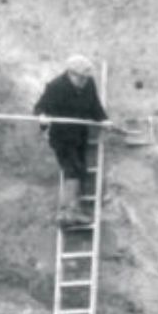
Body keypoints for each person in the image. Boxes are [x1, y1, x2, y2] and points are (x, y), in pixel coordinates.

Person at [34, 55, 109, 220]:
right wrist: (43, 118)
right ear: (71, 74)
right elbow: (40, 108)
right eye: (80, 78)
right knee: (72, 169)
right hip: (62, 137)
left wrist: (103, 120)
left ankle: (74, 211)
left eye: (85, 78)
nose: (83, 82)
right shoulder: (56, 87)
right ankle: (67, 213)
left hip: (79, 133)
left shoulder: (88, 83)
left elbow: (94, 105)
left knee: (80, 169)